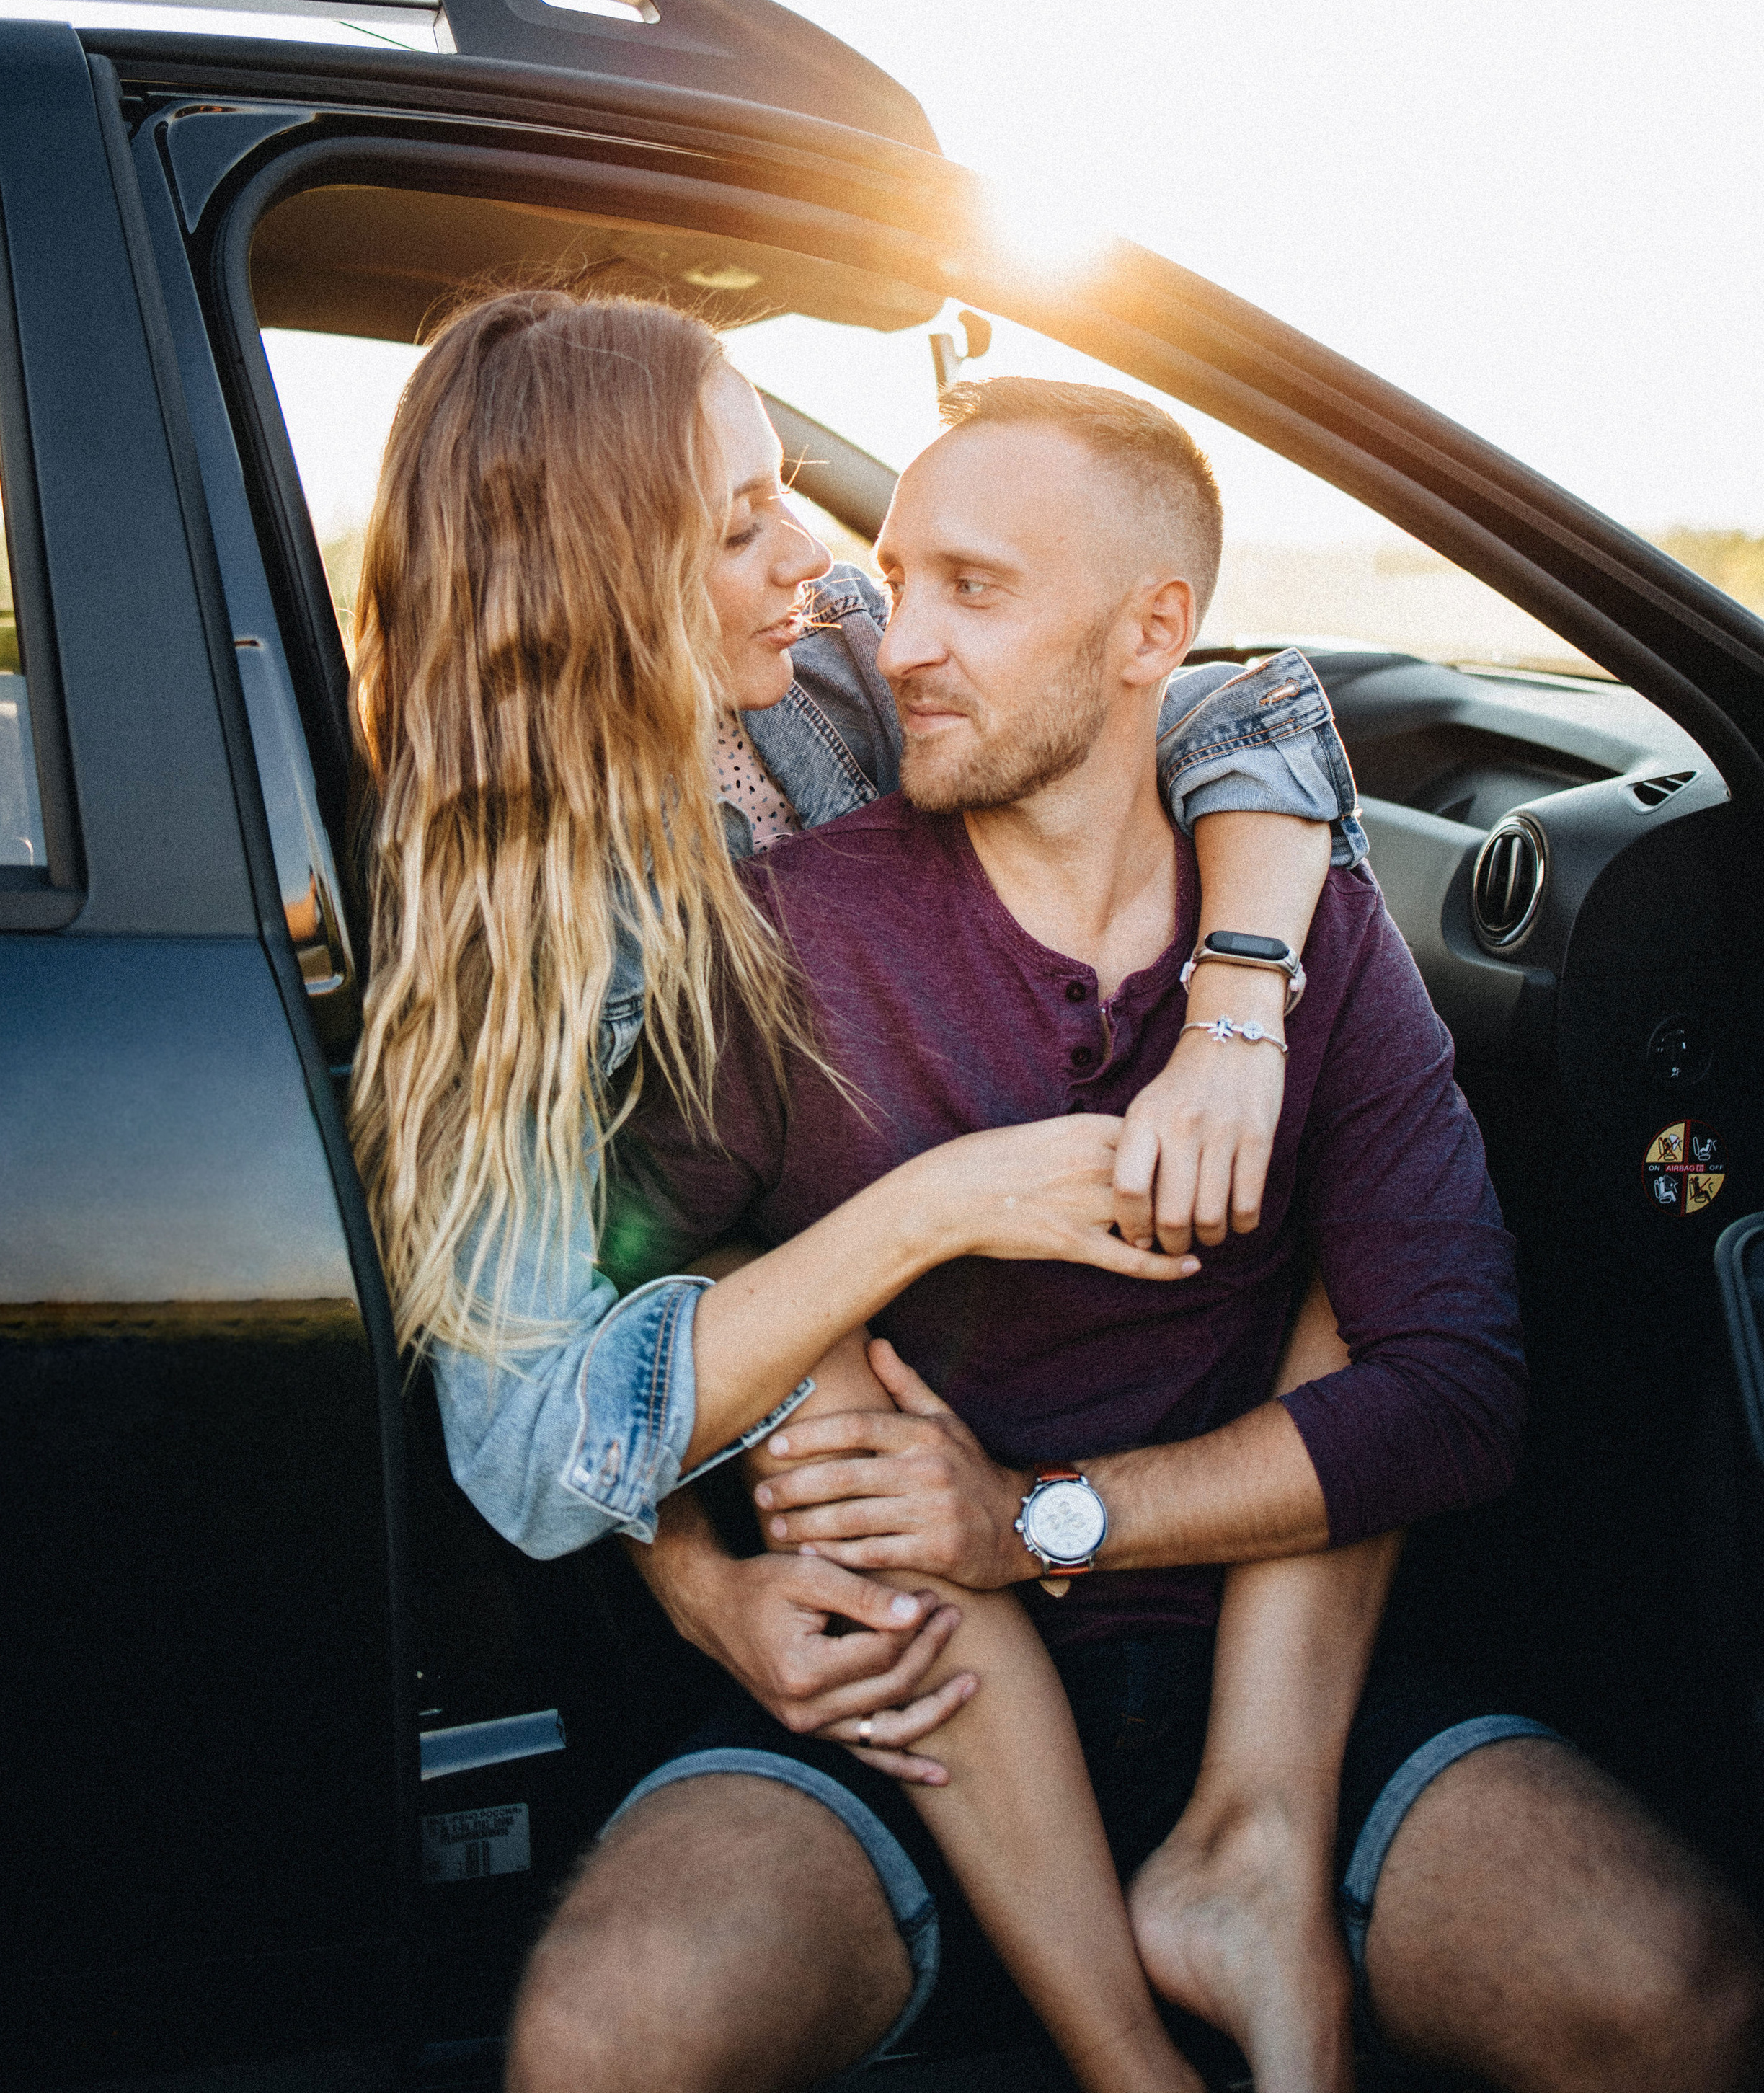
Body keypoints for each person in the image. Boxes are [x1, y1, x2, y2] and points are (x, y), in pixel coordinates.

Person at [507, 373, 1764, 2093]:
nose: (894, 647)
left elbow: (1455, 1391)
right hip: (903, 1689)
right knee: (606, 2035)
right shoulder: (788, 938)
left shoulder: (1294, 929)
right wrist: (714, 1584)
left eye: (975, 589)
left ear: (1145, 631)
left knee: (1670, 1992)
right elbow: (607, 1298)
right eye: (897, 581)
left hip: (1263, 1664)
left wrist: (1030, 1523)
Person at [347, 291, 1382, 2089]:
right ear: (600, 579)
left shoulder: (820, 672)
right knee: (835, 1390)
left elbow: (1232, 697)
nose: (817, 560)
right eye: (741, 521)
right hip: (825, 1484)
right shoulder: (521, 937)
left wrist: (1235, 996)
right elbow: (528, 1443)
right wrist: (703, 1574)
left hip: (1022, 1416)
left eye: (784, 496)